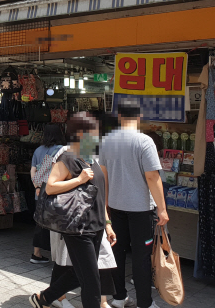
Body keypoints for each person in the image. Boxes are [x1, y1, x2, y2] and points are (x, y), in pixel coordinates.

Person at [30, 113, 116, 308]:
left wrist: (108, 223)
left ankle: (43, 298)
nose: (97, 137)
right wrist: (79, 179)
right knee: (92, 281)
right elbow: (50, 187)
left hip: (97, 225)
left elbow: (99, 194)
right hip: (78, 228)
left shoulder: (91, 158)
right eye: (93, 133)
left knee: (80, 274)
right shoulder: (68, 157)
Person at [100, 100, 167, 308]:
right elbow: (152, 177)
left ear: (119, 117)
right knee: (141, 258)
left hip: (116, 207)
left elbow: (104, 178)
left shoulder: (106, 141)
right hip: (140, 210)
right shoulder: (144, 141)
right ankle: (145, 303)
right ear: (138, 117)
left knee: (117, 254)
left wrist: (107, 207)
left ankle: (119, 297)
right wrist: (162, 209)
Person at [30, 123, 65, 264]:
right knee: (57, 224)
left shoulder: (38, 150)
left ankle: (36, 253)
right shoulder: (62, 150)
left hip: (40, 191)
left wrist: (37, 186)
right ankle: (57, 258)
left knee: (40, 222)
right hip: (56, 192)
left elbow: (32, 171)